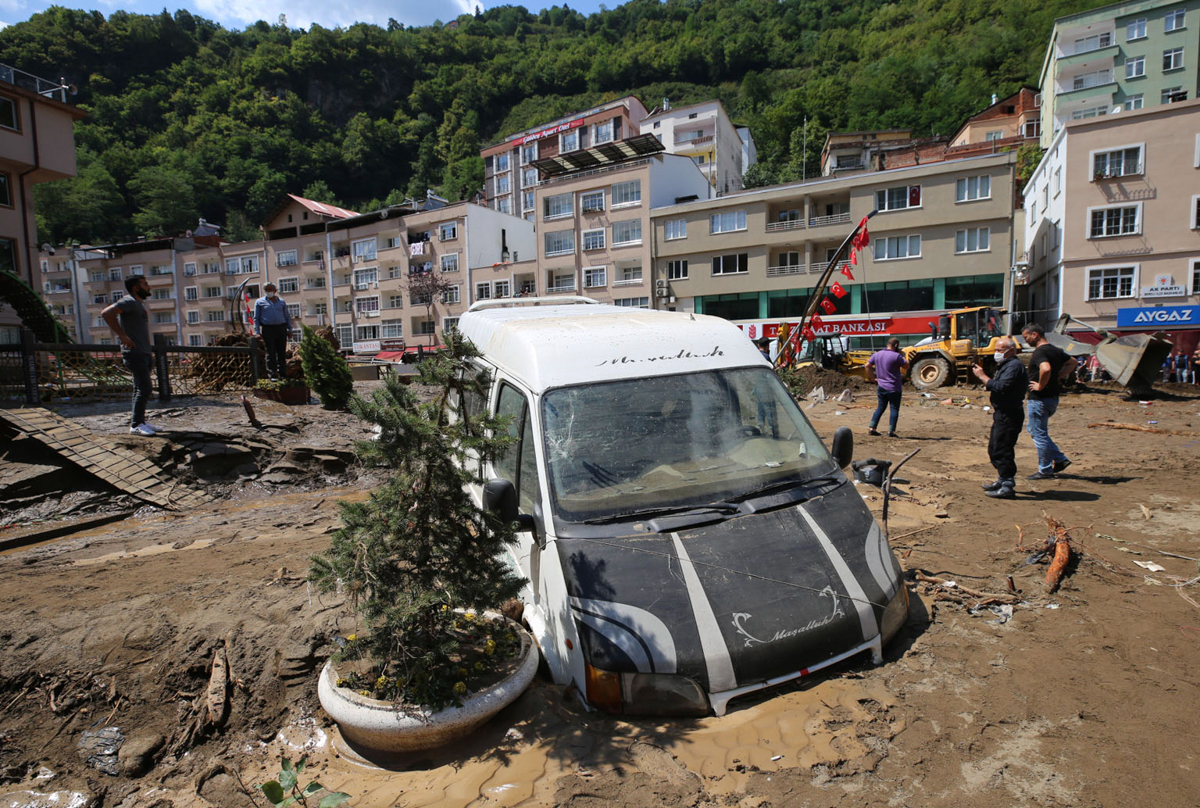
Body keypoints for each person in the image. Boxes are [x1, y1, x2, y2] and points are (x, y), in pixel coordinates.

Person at [101, 275, 159, 436]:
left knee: (139, 388)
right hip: (135, 352)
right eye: (145, 284)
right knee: (145, 388)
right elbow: (107, 313)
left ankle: (140, 421)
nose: (149, 287)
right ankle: (136, 425)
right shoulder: (128, 301)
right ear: (136, 287)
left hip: (143, 351)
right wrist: (122, 336)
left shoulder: (138, 305)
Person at [972, 336, 1027, 498]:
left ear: (1011, 351)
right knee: (994, 447)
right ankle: (1002, 479)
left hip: (1009, 414)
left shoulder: (1014, 366)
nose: (996, 353)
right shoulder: (1006, 365)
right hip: (1002, 413)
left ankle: (1008, 484)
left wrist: (983, 376)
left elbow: (1002, 387)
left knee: (1002, 449)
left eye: (999, 350)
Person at [1022, 323, 1077, 480]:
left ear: (1035, 335)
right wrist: (1057, 377)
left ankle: (1045, 470)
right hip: (1052, 397)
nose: (1026, 341)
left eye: (1026, 337)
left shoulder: (1041, 352)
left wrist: (1040, 384)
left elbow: (1045, 369)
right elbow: (1073, 362)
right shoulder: (1055, 350)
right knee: (1033, 430)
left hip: (1040, 398)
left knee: (1038, 434)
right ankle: (1059, 459)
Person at [866, 337, 909, 437]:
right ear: (896, 346)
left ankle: (872, 427)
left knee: (880, 407)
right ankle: (891, 431)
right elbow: (906, 366)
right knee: (894, 409)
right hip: (894, 387)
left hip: (881, 386)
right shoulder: (896, 356)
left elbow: (867, 366)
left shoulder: (877, 354)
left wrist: (873, 379)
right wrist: (902, 355)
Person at [254, 283, 292, 380]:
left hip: (281, 328)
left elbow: (287, 316)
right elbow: (256, 318)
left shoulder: (281, 302)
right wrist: (257, 332)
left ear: (275, 291)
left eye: (270, 289)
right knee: (270, 353)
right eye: (267, 289)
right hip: (268, 329)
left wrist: (290, 330)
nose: (269, 291)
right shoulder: (259, 302)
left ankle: (282, 374)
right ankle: (272, 374)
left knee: (281, 353)